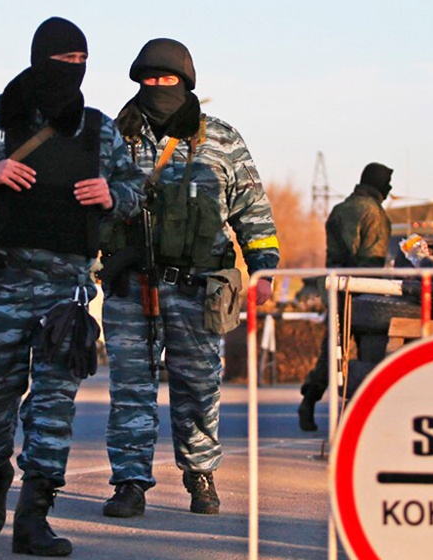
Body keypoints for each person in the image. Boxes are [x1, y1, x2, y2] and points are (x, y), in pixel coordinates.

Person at [0, 17, 145, 557]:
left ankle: (34, 515)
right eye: (63, 61)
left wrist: (112, 196)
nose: (72, 71)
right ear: (39, 60)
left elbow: (137, 190)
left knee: (53, 405)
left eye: (81, 63)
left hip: (65, 290)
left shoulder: (97, 129)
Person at [98, 38, 279, 519]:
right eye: (149, 78)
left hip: (197, 288)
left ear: (186, 81)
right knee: (131, 389)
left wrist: (264, 270)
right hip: (130, 286)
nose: (158, 86)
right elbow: (87, 206)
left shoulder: (220, 139)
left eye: (167, 78)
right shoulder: (113, 138)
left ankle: (200, 474)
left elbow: (252, 211)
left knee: (199, 387)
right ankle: (130, 482)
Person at [297, 162, 393, 431]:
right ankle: (361, 414)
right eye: (387, 183)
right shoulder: (375, 213)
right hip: (364, 293)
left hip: (336, 288)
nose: (390, 188)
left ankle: (310, 398)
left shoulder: (340, 209)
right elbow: (372, 261)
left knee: (332, 351)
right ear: (378, 184)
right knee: (369, 353)